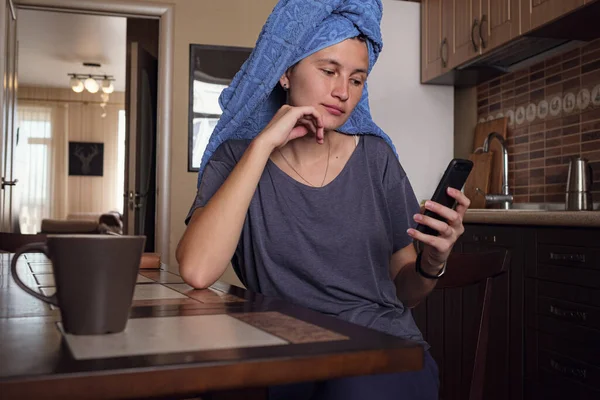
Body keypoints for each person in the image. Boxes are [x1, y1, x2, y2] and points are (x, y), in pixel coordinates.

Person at [177, 1, 470, 399]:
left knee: (352, 388)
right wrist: (263, 145)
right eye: (329, 71)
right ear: (285, 71)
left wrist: (432, 264)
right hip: (284, 351)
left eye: (356, 79)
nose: (341, 92)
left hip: (379, 347)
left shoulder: (375, 158)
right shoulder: (236, 157)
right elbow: (197, 271)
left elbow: (406, 293)